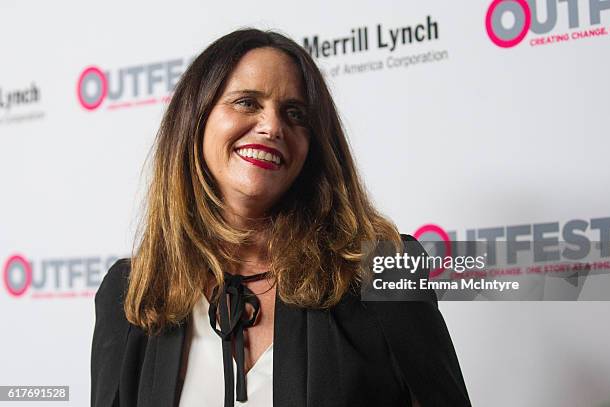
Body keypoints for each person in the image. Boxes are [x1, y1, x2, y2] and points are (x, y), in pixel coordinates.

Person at [90, 28, 471, 407]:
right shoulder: (132, 291)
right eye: (246, 102)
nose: (272, 127)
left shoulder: (385, 268)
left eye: (295, 114)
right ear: (195, 119)